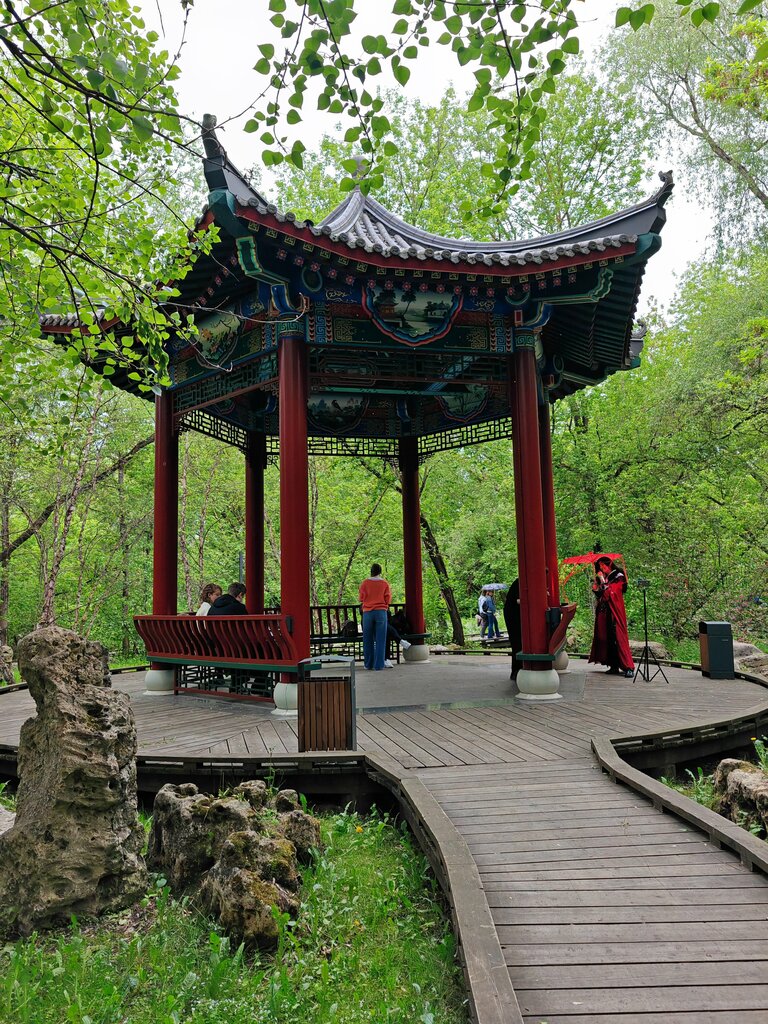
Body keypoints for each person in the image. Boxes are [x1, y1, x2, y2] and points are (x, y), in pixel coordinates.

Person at [588, 558, 634, 677]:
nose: (602, 569)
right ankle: (613, 665)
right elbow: (601, 594)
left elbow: (613, 593)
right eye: (600, 567)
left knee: (618, 637)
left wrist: (603, 582)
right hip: (605, 612)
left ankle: (628, 667)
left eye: (603, 566)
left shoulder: (618, 577)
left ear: (609, 565)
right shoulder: (606, 578)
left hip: (615, 612)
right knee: (607, 638)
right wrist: (597, 587)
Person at [359, 563, 391, 670]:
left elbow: (361, 598)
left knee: (367, 639)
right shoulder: (384, 583)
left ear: (371, 571)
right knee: (380, 639)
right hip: (381, 612)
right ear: (380, 572)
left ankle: (368, 664)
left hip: (368, 612)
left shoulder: (365, 583)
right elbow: (387, 599)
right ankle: (379, 665)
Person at [503, 578, 521, 682]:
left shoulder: (522, 581)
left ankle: (516, 671)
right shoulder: (521, 582)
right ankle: (516, 672)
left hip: (516, 615)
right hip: (513, 616)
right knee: (517, 643)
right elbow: (517, 600)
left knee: (518, 643)